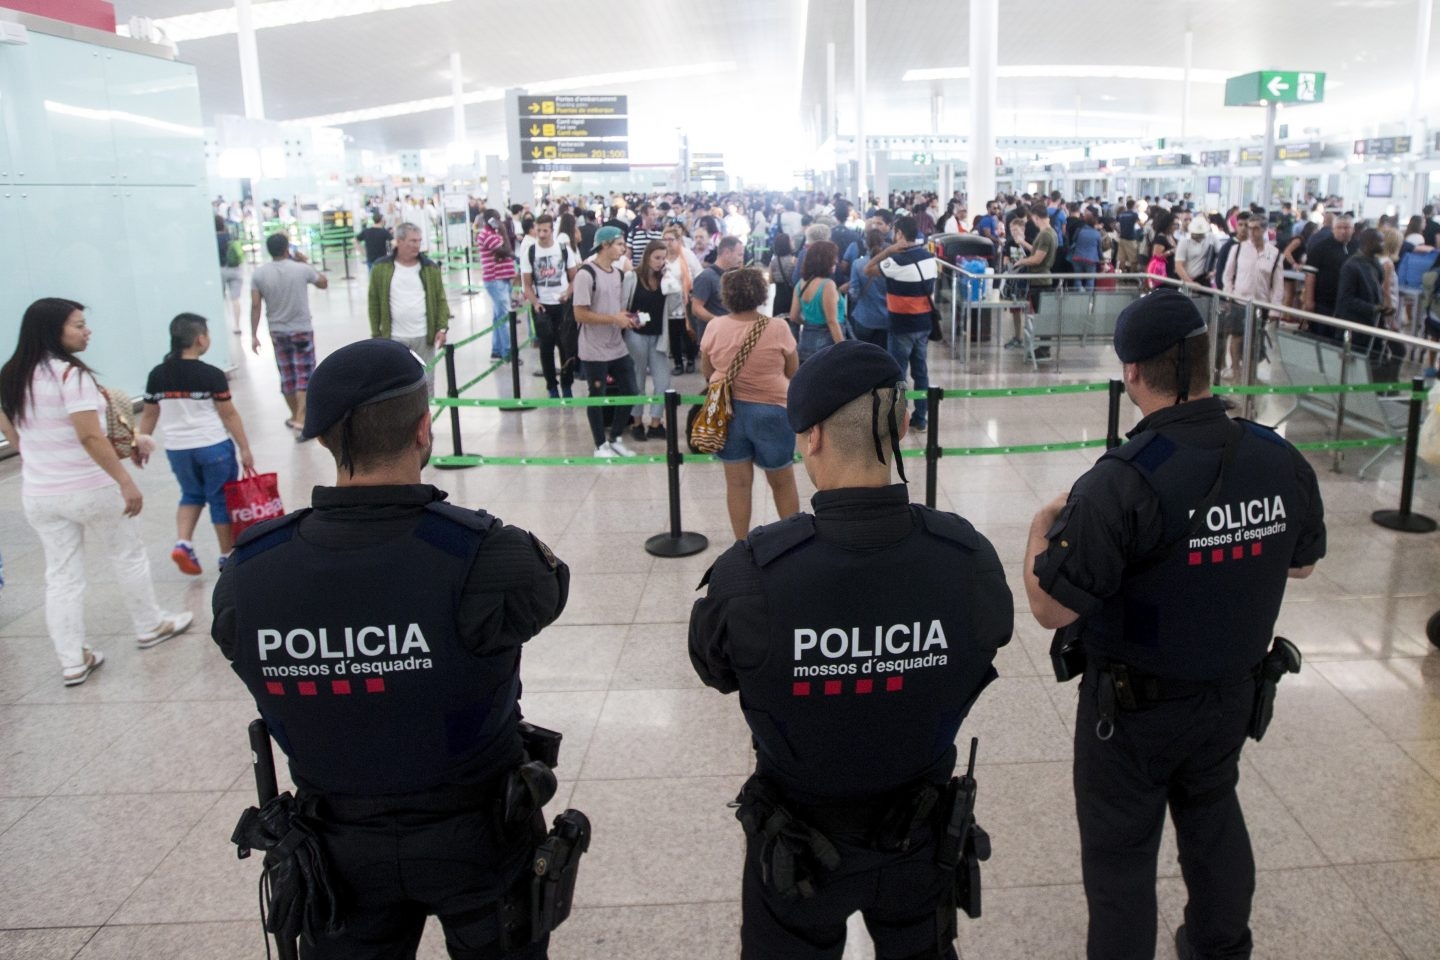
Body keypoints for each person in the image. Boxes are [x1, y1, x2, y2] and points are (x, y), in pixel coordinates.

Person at [212, 338, 576, 960]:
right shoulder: (490, 556)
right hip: (479, 834)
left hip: (334, 846)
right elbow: (543, 600)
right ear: (423, 429)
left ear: (326, 439)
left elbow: (234, 644)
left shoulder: (248, 575)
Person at [1023, 289, 1326, 960]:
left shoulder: (1126, 479)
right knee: (1213, 818)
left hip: (1133, 712)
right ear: (1207, 357)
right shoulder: (1276, 456)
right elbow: (1301, 566)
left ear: (1131, 373)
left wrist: (1041, 528)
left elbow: (1052, 607)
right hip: (1232, 692)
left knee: (1121, 862)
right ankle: (1221, 945)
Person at [689, 339, 1012, 959]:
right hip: (919, 836)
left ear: (809, 438)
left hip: (797, 849)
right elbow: (988, 640)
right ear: (905, 424)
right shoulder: (966, 559)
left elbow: (715, 667)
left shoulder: (753, 573)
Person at [0, 298, 194, 687]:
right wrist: (124, 479)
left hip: (40, 493)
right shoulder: (71, 376)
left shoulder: (10, 375)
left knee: (61, 576)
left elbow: (13, 434)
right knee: (127, 554)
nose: (87, 331)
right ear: (53, 330)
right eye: (78, 325)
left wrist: (40, 457)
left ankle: (72, 661)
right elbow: (89, 434)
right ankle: (149, 625)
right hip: (90, 487)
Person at [137, 313, 254, 575]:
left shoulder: (157, 374)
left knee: (191, 495)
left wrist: (140, 444)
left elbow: (149, 415)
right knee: (221, 500)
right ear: (200, 339)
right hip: (212, 446)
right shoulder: (211, 374)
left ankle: (183, 544)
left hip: (178, 449)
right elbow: (229, 414)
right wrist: (245, 448)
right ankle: (227, 556)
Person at [698, 266, 800, 541]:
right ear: (761, 294)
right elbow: (792, 371)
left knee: (738, 485)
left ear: (726, 295)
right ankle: (793, 541)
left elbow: (708, 372)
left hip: (727, 412)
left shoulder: (715, 326)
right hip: (772, 412)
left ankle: (741, 546)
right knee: (782, 481)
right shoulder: (777, 328)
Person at [573, 225, 641, 458]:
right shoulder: (586, 274)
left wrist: (629, 319)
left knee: (631, 390)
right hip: (593, 348)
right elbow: (580, 314)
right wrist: (613, 318)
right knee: (597, 394)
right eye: (620, 244)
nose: (624, 248)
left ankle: (615, 437)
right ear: (605, 245)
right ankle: (600, 445)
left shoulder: (618, 274)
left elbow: (617, 308)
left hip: (616, 345)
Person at [251, 232, 328, 436]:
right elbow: (323, 282)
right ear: (287, 248)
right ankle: (302, 419)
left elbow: (255, 305)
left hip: (277, 331)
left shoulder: (259, 274)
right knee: (305, 375)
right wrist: (306, 263)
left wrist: (253, 335)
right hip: (301, 329)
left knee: (287, 375)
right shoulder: (301, 269)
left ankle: (295, 415)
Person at [865, 215, 937, 431]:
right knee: (921, 371)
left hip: (901, 325)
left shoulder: (895, 260)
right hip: (924, 323)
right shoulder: (929, 258)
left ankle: (898, 419)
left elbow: (868, 269)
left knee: (898, 372)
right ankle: (921, 417)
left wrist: (887, 251)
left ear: (900, 235)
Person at [366, 222, 451, 392]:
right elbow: (374, 302)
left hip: (423, 337)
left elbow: (440, 299)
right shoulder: (381, 268)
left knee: (426, 384)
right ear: (399, 241)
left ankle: (425, 417)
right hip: (394, 338)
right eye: (412, 241)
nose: (417, 245)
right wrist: (376, 333)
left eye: (419, 241)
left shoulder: (430, 268)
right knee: (397, 384)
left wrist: (442, 328)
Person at [1220, 215, 1285, 380]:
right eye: (1250, 228)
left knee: (1255, 341)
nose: (1252, 232)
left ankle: (1250, 373)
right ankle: (1235, 371)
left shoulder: (1274, 253)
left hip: (1261, 304)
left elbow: (1278, 286)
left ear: (1264, 229)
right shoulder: (1238, 249)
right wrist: (1229, 295)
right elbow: (1227, 276)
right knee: (1236, 337)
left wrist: (1274, 311)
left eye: (1256, 228)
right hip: (1239, 301)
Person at [520, 215, 578, 399]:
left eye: (545, 230)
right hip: (542, 307)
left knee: (566, 347)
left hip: (563, 306)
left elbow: (574, 277)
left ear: (552, 230)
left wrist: (568, 293)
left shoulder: (563, 249)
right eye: (539, 230)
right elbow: (527, 284)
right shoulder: (530, 252)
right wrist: (535, 303)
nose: (542, 234)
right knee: (546, 348)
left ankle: (567, 385)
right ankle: (551, 386)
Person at [1336, 227, 1404, 381]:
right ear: (1370, 243)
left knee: (1389, 354)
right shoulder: (1351, 266)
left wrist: (1383, 310)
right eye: (1380, 241)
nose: (1383, 244)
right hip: (1357, 327)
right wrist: (1374, 308)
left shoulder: (1375, 264)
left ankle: (1383, 390)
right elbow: (1345, 300)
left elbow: (1380, 290)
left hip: (1373, 324)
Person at [625, 240, 671, 441]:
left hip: (659, 336)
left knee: (663, 381)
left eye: (663, 258)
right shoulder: (632, 277)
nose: (660, 262)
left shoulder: (665, 279)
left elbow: (675, 303)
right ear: (647, 257)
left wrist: (670, 277)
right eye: (657, 258)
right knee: (637, 380)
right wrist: (630, 320)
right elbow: (622, 306)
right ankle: (636, 421)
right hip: (636, 336)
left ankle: (655, 421)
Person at [790, 240, 846, 362]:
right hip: (826, 342)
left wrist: (811, 323)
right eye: (833, 258)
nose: (836, 261)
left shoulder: (800, 284)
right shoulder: (827, 285)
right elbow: (832, 321)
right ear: (825, 261)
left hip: (806, 340)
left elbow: (793, 316)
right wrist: (844, 349)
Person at [1303, 213, 1356, 339]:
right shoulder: (1320, 247)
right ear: (1333, 229)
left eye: (1346, 227)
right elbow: (1310, 275)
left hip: (1347, 305)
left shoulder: (1357, 248)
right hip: (1323, 303)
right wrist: (1309, 301)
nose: (1343, 231)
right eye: (1339, 227)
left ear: (1353, 229)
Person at [476, 209, 518, 362]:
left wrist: (505, 251)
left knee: (498, 317)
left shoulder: (494, 234)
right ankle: (508, 352)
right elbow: (507, 250)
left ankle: (497, 351)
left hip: (503, 278)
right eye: (497, 219)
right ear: (490, 220)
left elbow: (507, 252)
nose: (500, 221)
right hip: (495, 279)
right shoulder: (486, 235)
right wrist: (504, 231)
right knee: (505, 317)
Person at [661, 225, 703, 375]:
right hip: (668, 301)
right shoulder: (661, 256)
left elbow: (698, 273)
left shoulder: (686, 255)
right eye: (664, 239)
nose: (667, 243)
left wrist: (694, 291)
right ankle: (678, 362)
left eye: (670, 239)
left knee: (688, 331)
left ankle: (691, 359)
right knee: (673, 334)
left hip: (686, 298)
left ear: (678, 240)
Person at [691, 235, 744, 350]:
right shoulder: (706, 277)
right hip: (713, 340)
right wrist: (719, 321)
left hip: (731, 337)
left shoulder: (731, 275)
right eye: (739, 254)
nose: (741, 259)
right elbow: (696, 308)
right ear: (727, 253)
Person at [847, 228, 890, 350]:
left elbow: (854, 293)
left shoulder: (857, 264)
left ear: (866, 244)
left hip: (864, 317)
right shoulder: (890, 264)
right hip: (886, 318)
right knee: (883, 354)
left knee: (863, 352)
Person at [217, 214, 245, 334]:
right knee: (235, 299)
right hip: (235, 269)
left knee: (221, 299)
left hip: (220, 270)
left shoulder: (212, 238)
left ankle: (223, 324)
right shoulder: (230, 236)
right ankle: (237, 326)